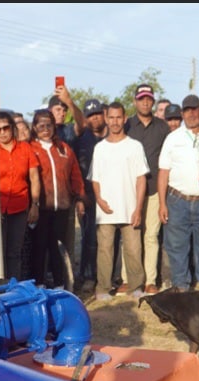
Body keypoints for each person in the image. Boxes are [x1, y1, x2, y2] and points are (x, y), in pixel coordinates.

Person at [90, 101, 148, 301]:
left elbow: (141, 179)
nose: (115, 122)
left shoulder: (135, 146)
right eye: (111, 117)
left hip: (130, 207)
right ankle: (103, 289)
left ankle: (136, 287)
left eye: (118, 117)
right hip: (105, 209)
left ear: (125, 119)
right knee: (104, 251)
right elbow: (95, 179)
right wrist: (99, 199)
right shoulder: (100, 148)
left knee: (133, 249)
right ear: (106, 119)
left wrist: (138, 208)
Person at [28, 109, 85, 290]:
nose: (45, 129)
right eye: (41, 125)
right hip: (40, 208)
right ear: (35, 127)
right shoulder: (30, 148)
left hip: (61, 207)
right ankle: (39, 285)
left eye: (49, 125)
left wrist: (80, 197)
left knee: (58, 247)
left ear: (54, 127)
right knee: (39, 247)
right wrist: (32, 204)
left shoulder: (64, 148)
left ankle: (60, 285)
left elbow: (75, 174)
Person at [157, 94, 199, 293]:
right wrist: (162, 203)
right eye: (187, 110)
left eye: (195, 109)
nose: (191, 114)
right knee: (177, 248)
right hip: (177, 199)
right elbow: (163, 171)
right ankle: (181, 288)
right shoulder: (173, 138)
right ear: (182, 113)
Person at [125, 83, 171, 294]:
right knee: (131, 235)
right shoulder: (126, 125)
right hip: (129, 189)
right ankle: (129, 278)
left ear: (153, 101)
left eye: (148, 99)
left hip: (153, 189)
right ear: (135, 101)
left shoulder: (162, 128)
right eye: (141, 98)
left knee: (151, 236)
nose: (145, 102)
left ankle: (150, 280)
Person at [0, 110, 42, 280]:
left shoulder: (25, 149)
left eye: (5, 128)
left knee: (15, 251)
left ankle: (13, 286)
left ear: (12, 128)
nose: (2, 132)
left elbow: (34, 177)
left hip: (19, 206)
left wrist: (34, 205)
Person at [73, 99, 109, 296]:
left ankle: (107, 276)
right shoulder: (81, 137)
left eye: (97, 114)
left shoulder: (114, 135)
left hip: (110, 193)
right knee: (89, 238)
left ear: (103, 114)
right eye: (90, 116)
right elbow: (76, 169)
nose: (94, 118)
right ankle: (88, 277)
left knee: (111, 237)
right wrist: (79, 196)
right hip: (87, 195)